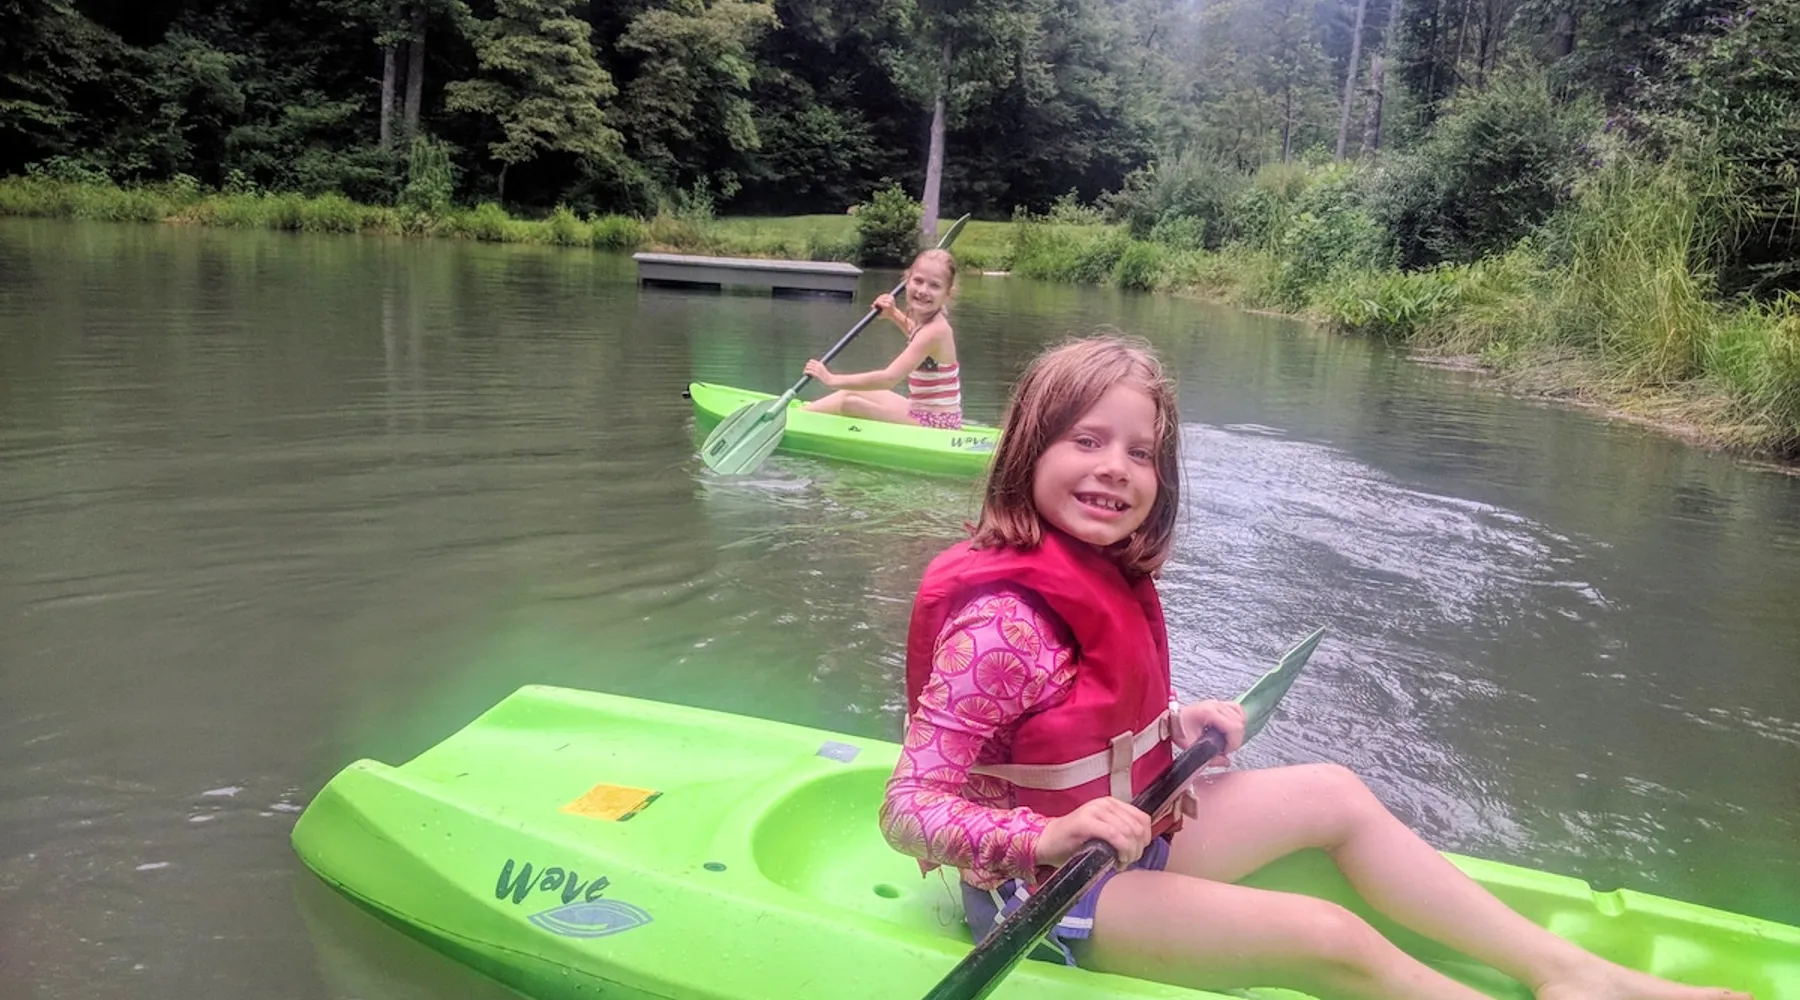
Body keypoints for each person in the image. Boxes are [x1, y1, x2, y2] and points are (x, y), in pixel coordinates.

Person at [880, 335, 1749, 1000]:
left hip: (1137, 838)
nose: (1115, 468)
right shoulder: (998, 625)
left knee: (1333, 790)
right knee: (1330, 938)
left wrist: (1177, 723)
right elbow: (908, 808)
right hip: (1043, 896)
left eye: (1140, 453)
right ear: (1028, 451)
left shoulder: (1101, 571)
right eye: (1085, 440)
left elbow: (1079, 724)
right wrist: (1045, 839)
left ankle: (1571, 973)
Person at [801, 248, 962, 430]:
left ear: (948, 294)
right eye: (918, 281)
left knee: (851, 404)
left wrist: (831, 379)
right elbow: (917, 335)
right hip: (920, 410)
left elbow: (889, 378)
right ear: (907, 281)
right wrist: (893, 314)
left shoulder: (936, 331)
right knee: (850, 391)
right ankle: (801, 414)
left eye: (935, 286)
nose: (923, 290)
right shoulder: (928, 325)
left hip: (938, 424)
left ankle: (798, 421)